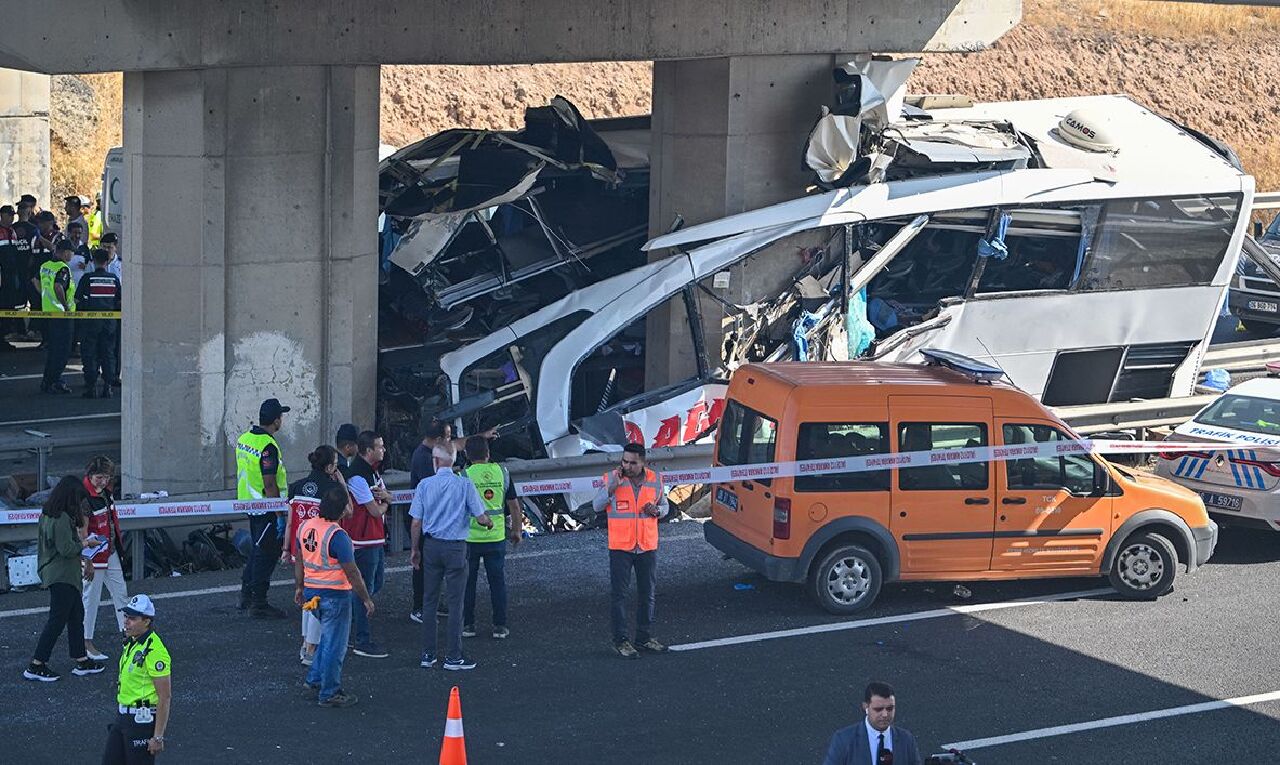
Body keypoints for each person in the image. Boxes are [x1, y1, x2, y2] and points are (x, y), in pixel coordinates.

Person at [409, 445, 492, 671]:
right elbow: (480, 515)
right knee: (456, 603)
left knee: (429, 601)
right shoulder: (464, 484)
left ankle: (428, 654)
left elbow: (416, 521)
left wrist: (415, 550)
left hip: (431, 546)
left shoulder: (424, 485)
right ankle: (453, 656)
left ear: (435, 461)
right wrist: (489, 522)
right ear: (454, 460)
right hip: (456, 547)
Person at [406, 418, 497, 623]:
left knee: (430, 568)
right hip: (431, 525)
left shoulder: (435, 451)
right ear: (439, 440)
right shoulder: (424, 459)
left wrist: (482, 436)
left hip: (428, 523)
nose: (451, 440)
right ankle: (420, 607)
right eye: (448, 436)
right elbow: (437, 491)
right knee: (422, 569)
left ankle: (429, 607)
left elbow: (457, 445)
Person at [295, 486, 374, 708]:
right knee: (334, 645)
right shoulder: (338, 536)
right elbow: (352, 571)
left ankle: (314, 681)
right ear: (342, 510)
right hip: (334, 595)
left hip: (312, 593)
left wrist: (299, 588)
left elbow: (300, 559)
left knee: (327, 640)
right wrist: (366, 598)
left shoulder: (305, 527)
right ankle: (329, 692)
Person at [24, 475, 105, 681]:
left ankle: (81, 660)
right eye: (78, 500)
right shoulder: (60, 518)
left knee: (76, 615)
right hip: (62, 574)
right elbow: (67, 549)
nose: (79, 504)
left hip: (59, 573)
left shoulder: (48, 513)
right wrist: (88, 543)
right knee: (57, 620)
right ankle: (36, 664)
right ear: (70, 497)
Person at [593, 442, 669, 659]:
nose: (627, 466)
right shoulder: (611, 478)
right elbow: (597, 506)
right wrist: (611, 489)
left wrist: (658, 511)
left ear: (643, 462)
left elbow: (665, 506)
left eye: (632, 462)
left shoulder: (655, 480)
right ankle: (621, 641)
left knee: (648, 595)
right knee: (619, 596)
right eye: (624, 461)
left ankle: (644, 638)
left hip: (646, 546)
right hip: (621, 547)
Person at [283, 445, 345, 667]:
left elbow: (290, 521)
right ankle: (311, 648)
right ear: (329, 467)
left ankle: (305, 643)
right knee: (320, 598)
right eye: (336, 465)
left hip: (300, 548)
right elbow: (349, 511)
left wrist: (285, 549)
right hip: (321, 549)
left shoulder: (296, 487)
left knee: (306, 595)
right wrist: (342, 483)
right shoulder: (331, 488)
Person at [462, 435, 522, 640]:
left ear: (467, 455)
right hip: (496, 536)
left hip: (470, 538)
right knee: (497, 582)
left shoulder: (464, 475)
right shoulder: (502, 472)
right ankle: (500, 625)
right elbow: (514, 505)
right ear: (488, 453)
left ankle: (468, 624)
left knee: (467, 582)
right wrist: (516, 530)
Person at [100, 594, 171, 764]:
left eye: (132, 618)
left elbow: (165, 697)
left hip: (141, 722)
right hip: (123, 717)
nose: (126, 622)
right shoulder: (133, 642)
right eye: (126, 616)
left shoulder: (155, 651)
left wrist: (158, 737)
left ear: (146, 621)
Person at [236, 397, 290, 618]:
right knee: (265, 555)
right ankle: (258, 603)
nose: (281, 421)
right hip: (266, 508)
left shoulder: (244, 438)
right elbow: (270, 483)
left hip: (250, 504)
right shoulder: (268, 447)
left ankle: (246, 597)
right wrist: (279, 514)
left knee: (258, 552)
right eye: (281, 417)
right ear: (276, 420)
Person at [340, 430, 392, 658]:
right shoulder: (359, 477)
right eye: (380, 446)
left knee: (373, 585)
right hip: (363, 540)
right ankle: (361, 638)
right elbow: (373, 509)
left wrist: (385, 499)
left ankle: (353, 626)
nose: (384, 450)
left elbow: (384, 497)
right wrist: (386, 503)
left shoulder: (371, 473)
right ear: (368, 451)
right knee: (364, 590)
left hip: (374, 538)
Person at [82, 456, 129, 662]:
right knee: (90, 600)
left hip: (109, 552)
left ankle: (128, 635)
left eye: (107, 477)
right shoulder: (83, 498)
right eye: (99, 477)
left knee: (121, 594)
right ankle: (85, 643)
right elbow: (81, 533)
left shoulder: (105, 493)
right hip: (94, 557)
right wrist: (87, 561)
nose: (103, 481)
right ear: (90, 475)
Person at [822, 681, 923, 765]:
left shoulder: (906, 739)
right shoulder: (844, 739)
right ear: (865, 707)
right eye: (878, 709)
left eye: (890, 708)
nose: (885, 714)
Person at [74, 248, 122, 399]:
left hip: (90, 323)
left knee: (89, 354)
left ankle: (91, 386)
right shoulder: (114, 279)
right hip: (109, 323)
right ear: (107, 262)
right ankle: (107, 386)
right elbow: (120, 301)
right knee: (108, 354)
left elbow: (77, 300)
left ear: (93, 262)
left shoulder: (87, 278)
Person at [37, 239, 76, 394]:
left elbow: (35, 280)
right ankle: (55, 381)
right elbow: (58, 286)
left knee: (53, 350)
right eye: (71, 252)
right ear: (65, 251)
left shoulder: (45, 266)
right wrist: (65, 306)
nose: (72, 255)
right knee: (62, 351)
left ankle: (47, 381)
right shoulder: (62, 268)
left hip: (48, 312)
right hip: (62, 315)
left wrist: (44, 296)